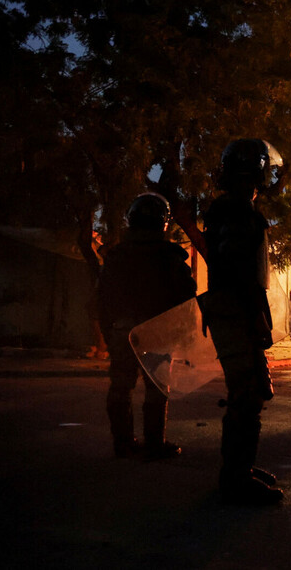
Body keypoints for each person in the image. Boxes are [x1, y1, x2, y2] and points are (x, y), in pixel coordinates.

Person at [203, 138, 284, 505]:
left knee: (248, 393)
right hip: (236, 313)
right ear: (258, 170)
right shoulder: (238, 212)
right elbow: (239, 272)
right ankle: (235, 480)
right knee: (247, 394)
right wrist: (254, 317)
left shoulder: (231, 209)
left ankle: (240, 469)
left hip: (233, 311)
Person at [97, 193, 197, 460]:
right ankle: (154, 443)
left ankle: (123, 443)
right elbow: (186, 297)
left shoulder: (117, 257)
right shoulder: (171, 257)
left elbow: (102, 299)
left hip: (124, 331)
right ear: (163, 223)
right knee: (157, 388)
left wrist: (110, 333)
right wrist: (185, 334)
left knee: (120, 387)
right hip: (158, 331)